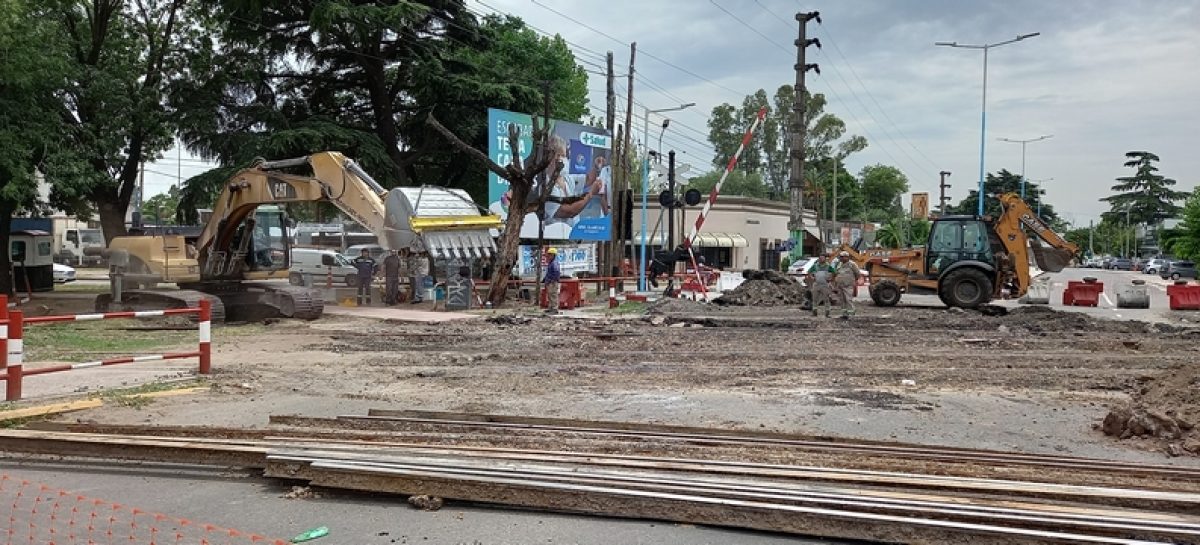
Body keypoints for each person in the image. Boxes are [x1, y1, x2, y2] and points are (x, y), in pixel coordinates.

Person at [833, 251, 862, 319]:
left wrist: (853, 281)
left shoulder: (852, 264)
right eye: (841, 257)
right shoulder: (839, 264)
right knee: (842, 300)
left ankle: (851, 313)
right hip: (840, 285)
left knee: (848, 299)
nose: (842, 258)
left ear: (847, 257)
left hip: (848, 285)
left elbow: (857, 274)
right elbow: (836, 273)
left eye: (843, 257)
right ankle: (844, 314)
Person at [543, 247, 561, 315]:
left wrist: (553, 280)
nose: (548, 256)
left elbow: (556, 272)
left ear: (553, 255)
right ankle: (550, 308)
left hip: (553, 282)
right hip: (550, 281)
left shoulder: (554, 263)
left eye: (550, 254)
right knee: (550, 295)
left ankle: (554, 308)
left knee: (553, 295)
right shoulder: (551, 263)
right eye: (548, 254)